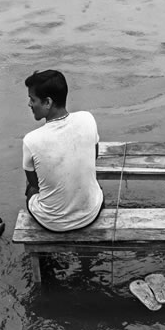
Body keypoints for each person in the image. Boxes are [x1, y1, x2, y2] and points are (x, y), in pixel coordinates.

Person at [22, 69, 104, 231]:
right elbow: (94, 155)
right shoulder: (87, 118)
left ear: (47, 102)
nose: (29, 104)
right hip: (90, 213)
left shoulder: (31, 140)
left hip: (53, 222)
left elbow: (35, 184)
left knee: (29, 188)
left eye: (33, 99)